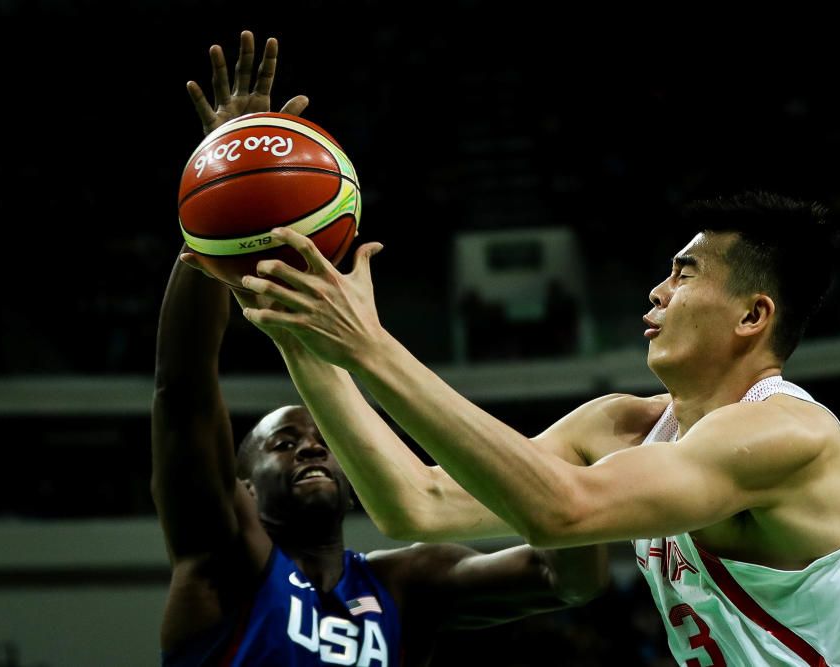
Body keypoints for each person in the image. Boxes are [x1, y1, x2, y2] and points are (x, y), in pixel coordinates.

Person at [237, 192, 840, 664]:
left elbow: (561, 509)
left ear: (751, 316)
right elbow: (414, 502)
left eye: (684, 273)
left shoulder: (792, 435)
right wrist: (294, 331)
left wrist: (370, 345)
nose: (658, 290)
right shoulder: (620, 426)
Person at [154, 31, 609, 666]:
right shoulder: (223, 565)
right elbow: (183, 392)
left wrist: (569, 474)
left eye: (322, 440)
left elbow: (569, 581)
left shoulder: (408, 584)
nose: (313, 445)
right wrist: (219, 215)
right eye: (283, 444)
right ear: (244, 490)